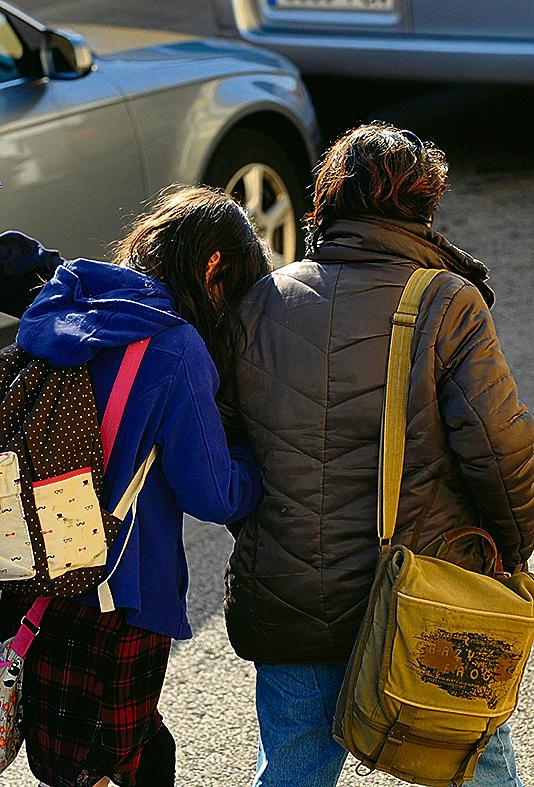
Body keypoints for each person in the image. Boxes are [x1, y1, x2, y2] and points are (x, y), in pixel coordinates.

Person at [224, 122, 534, 787]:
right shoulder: (446, 301)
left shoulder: (263, 300)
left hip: (290, 599)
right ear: (426, 203)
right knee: (477, 766)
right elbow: (498, 448)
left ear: (326, 201)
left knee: (292, 771)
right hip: (427, 592)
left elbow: (230, 454)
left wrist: (272, 536)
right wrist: (509, 554)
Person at [0, 184, 270, 787]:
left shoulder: (68, 300)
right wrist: (263, 464)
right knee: (116, 757)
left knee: (84, 754)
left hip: (37, 567)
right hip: (120, 588)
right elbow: (213, 493)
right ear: (213, 266)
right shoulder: (174, 347)